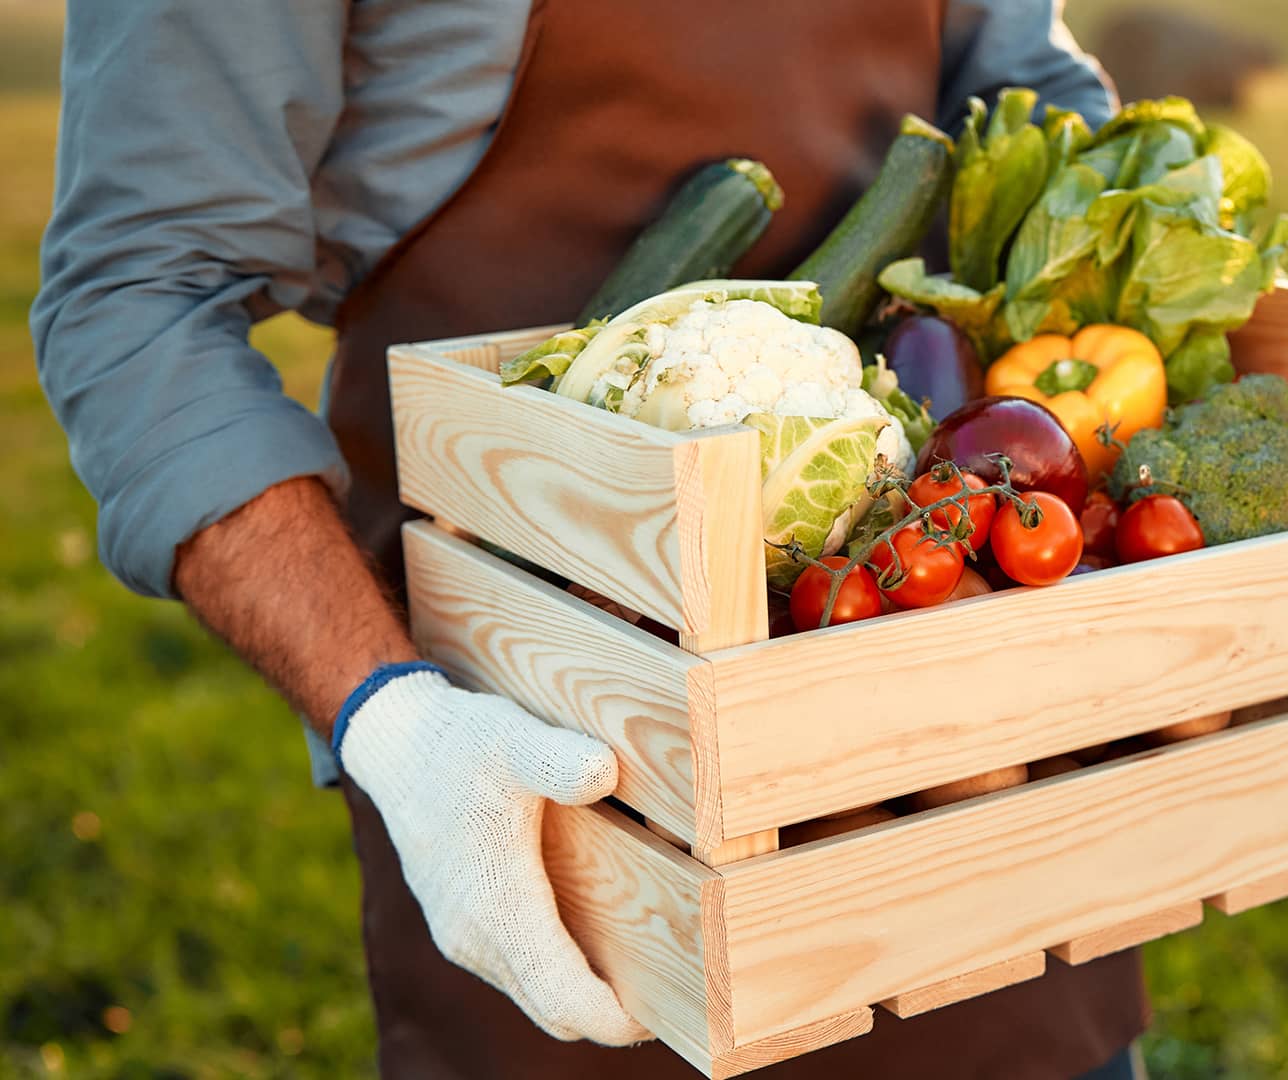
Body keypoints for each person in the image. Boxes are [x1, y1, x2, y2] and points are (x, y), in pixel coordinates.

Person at [32, 2, 1148, 1076]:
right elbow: (137, 297)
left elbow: (1027, 95)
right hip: (553, 759)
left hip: (960, 698)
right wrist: (396, 723)